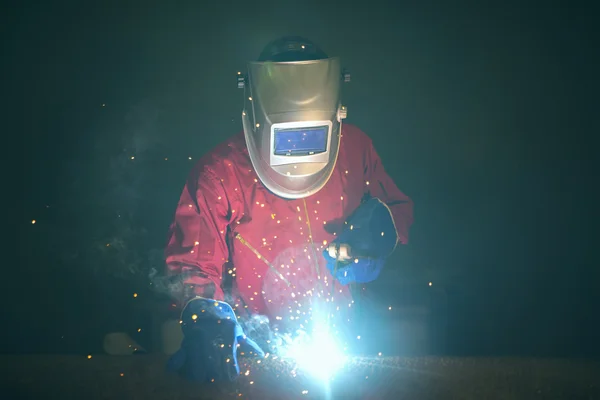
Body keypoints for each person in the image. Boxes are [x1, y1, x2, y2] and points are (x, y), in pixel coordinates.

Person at [164, 36, 413, 382]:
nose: (300, 153)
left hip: (342, 338)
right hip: (251, 343)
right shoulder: (220, 171)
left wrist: (378, 234)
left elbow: (396, 209)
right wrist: (205, 315)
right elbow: (193, 262)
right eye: (288, 138)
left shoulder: (355, 148)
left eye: (313, 137)